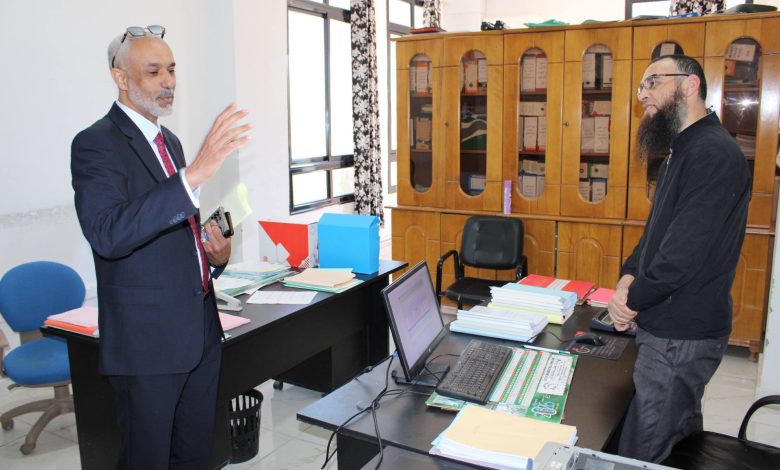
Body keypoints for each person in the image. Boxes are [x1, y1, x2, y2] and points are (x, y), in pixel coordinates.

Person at [71, 25, 251, 469]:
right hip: (148, 342)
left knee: (194, 455)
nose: (168, 81)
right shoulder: (95, 143)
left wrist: (213, 257)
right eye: (153, 72)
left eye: (171, 69)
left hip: (199, 330)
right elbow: (109, 233)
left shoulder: (168, 141)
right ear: (121, 77)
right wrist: (194, 176)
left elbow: (173, 229)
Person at [608, 54, 751, 463]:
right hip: (668, 327)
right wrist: (627, 277)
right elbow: (656, 235)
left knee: (639, 454)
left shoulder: (713, 154)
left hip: (680, 335)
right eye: (642, 87)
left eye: (652, 82)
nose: (643, 95)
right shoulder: (682, 150)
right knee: (678, 440)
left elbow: (680, 257)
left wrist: (630, 302)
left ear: (690, 85)